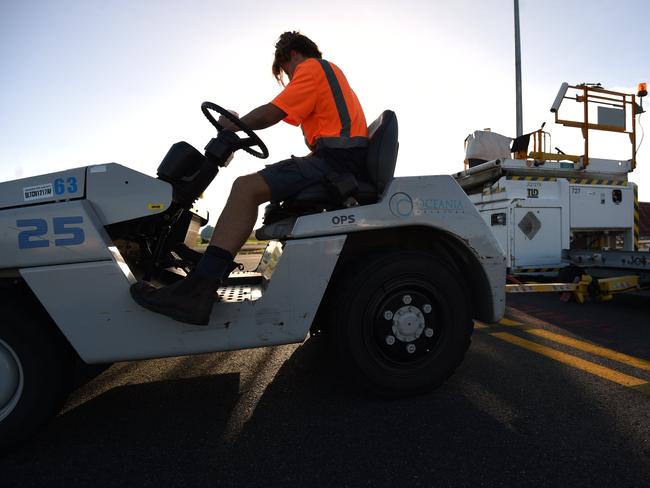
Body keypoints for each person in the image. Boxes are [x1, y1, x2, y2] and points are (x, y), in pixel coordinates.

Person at [130, 31, 368, 325]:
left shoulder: (312, 68)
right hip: (335, 160)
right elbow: (293, 116)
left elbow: (273, 111)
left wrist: (234, 126)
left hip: (335, 162)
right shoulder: (327, 74)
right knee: (257, 189)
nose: (289, 77)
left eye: (284, 71)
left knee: (245, 188)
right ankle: (206, 273)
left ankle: (198, 289)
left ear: (291, 54)